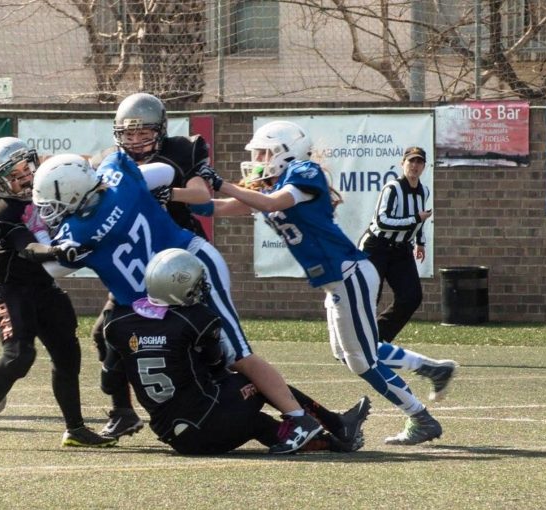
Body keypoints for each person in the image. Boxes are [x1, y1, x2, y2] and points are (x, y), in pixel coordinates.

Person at [22, 151, 324, 454]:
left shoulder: (78, 233)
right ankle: (310, 422)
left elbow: (51, 267)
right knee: (215, 355)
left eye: (54, 203)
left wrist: (43, 244)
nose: (51, 211)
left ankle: (299, 420)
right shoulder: (119, 178)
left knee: (238, 353)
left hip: (189, 271)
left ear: (75, 194)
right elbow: (165, 173)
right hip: (176, 279)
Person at [197, 120, 443, 445]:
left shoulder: (304, 172)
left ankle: (420, 416)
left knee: (363, 361)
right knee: (352, 356)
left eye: (263, 152)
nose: (258, 159)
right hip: (338, 281)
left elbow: (271, 204)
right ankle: (429, 370)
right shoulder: (272, 185)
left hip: (349, 274)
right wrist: (172, 195)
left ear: (286, 152)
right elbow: (218, 207)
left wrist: (220, 183)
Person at [102, 248, 371, 454]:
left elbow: (109, 381)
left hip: (176, 437)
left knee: (253, 420)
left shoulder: (118, 323)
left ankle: (331, 440)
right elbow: (217, 365)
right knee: (251, 378)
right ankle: (327, 423)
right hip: (207, 424)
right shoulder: (196, 318)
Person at [0, 137, 116, 449]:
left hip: (42, 285)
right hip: (9, 286)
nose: (25, 178)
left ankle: (75, 428)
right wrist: (57, 251)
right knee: (19, 356)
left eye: (26, 169)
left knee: (67, 352)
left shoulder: (50, 187)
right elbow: (27, 247)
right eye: (14, 175)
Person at [92, 92, 214, 439]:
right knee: (107, 332)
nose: (135, 141)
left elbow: (201, 195)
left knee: (198, 333)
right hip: (138, 265)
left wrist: (166, 193)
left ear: (159, 130)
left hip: (180, 258)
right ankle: (123, 411)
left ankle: (214, 394)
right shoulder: (115, 163)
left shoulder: (180, 150)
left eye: (142, 133)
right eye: (128, 134)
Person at [358, 146, 458, 401]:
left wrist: (420, 242)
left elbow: (420, 221)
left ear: (424, 167)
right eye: (411, 162)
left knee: (411, 297)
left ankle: (379, 342)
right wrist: (415, 219)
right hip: (377, 247)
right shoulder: (392, 188)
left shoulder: (423, 190)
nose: (415, 166)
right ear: (402, 163)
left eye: (419, 163)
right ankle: (363, 342)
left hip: (401, 249)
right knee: (371, 296)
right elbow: (381, 221)